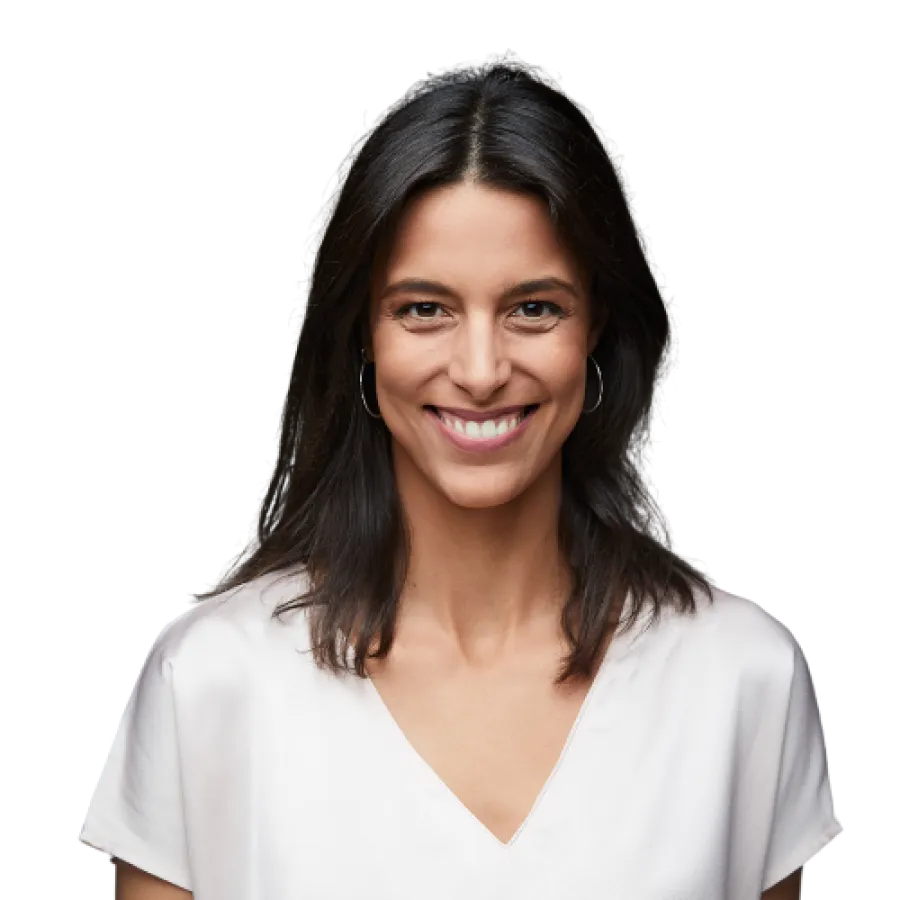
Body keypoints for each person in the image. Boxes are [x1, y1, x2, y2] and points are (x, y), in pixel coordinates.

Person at [78, 51, 843, 898]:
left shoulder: (740, 679)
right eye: (425, 309)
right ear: (362, 339)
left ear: (596, 332)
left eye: (533, 308)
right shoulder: (214, 682)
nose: (480, 370)